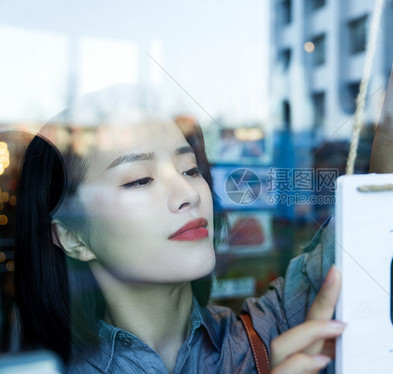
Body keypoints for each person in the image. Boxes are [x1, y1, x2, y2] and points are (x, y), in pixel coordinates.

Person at [14, 85, 342, 374]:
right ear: (72, 236)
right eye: (139, 179)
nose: (189, 194)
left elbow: (383, 199)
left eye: (190, 170)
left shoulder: (274, 333)